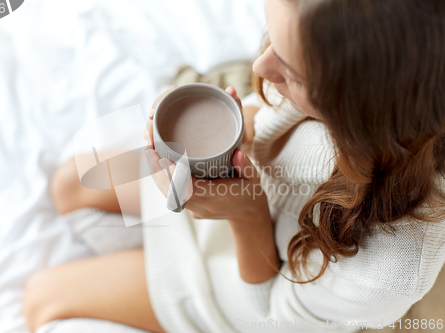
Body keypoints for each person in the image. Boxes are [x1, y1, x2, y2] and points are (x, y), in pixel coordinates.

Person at [23, 0, 445, 332]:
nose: (260, 70)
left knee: (41, 299)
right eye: (272, 42)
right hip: (228, 191)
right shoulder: (332, 71)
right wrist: (225, 126)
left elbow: (269, 322)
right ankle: (146, 247)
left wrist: (247, 215)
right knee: (69, 185)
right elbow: (266, 115)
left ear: (363, 111)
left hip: (246, 289)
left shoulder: (390, 268)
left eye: (292, 74)